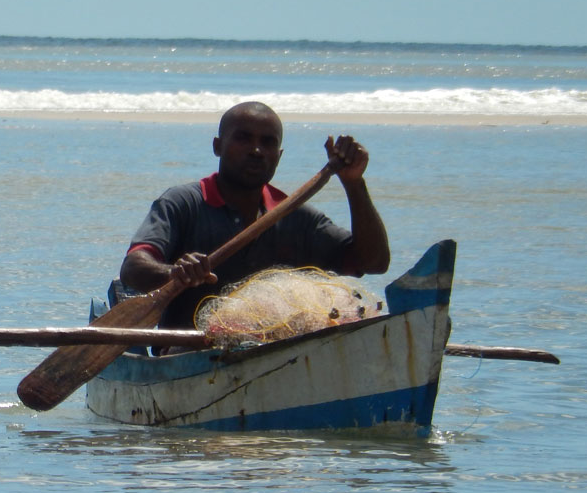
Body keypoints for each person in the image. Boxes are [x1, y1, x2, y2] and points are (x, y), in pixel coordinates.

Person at [118, 101, 390, 330]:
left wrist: (354, 183)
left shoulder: (297, 217)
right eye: (243, 138)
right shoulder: (183, 203)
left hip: (277, 356)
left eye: (267, 142)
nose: (256, 150)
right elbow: (133, 268)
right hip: (186, 356)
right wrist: (176, 272)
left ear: (279, 155)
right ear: (218, 146)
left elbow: (374, 262)